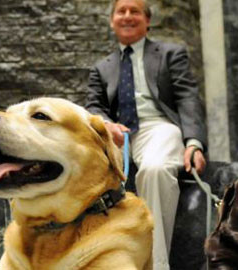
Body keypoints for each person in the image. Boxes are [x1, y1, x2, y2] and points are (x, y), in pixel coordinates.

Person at [85, 0, 207, 269]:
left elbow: (188, 98)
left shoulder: (170, 54)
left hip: (158, 127)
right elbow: (93, 106)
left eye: (135, 11)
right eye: (121, 11)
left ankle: (156, 265)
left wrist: (194, 142)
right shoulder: (101, 67)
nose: (127, 16)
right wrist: (107, 124)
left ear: (148, 20)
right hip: (119, 135)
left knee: (154, 170)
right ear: (112, 21)